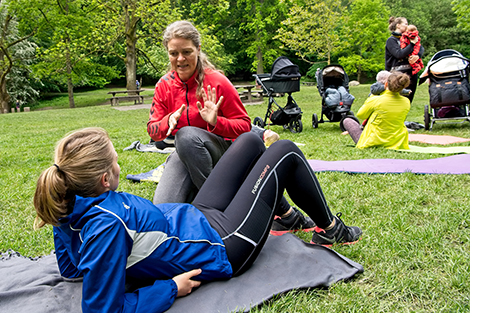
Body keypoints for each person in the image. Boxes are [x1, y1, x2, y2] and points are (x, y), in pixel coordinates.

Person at [33, 127, 363, 313]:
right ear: (106, 179)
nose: (120, 166)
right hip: (223, 244)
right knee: (286, 151)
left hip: (195, 219)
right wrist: (169, 289)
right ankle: (333, 230)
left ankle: (289, 218)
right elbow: (102, 314)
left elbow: (71, 269)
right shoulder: (105, 226)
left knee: (249, 141)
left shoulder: (68, 204)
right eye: (116, 162)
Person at [147, 20, 312, 234]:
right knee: (161, 217)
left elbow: (245, 127)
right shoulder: (164, 86)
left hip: (224, 152)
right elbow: (152, 131)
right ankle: (281, 214)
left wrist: (216, 122)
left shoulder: (217, 81)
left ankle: (217, 210)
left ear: (198, 49)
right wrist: (167, 120)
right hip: (185, 155)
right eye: (173, 53)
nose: (180, 59)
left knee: (187, 136)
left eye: (186, 51)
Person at [341, 71, 411, 150]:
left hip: (373, 140)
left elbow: (361, 115)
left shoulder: (375, 99)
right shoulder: (406, 102)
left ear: (386, 84)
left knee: (347, 120)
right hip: (397, 141)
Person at [385, 16, 424, 103]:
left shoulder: (409, 38)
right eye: (405, 24)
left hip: (411, 74)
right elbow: (399, 54)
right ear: (398, 25)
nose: (408, 26)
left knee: (408, 101)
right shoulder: (391, 40)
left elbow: (420, 48)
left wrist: (417, 55)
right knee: (397, 100)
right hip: (397, 75)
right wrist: (412, 44)